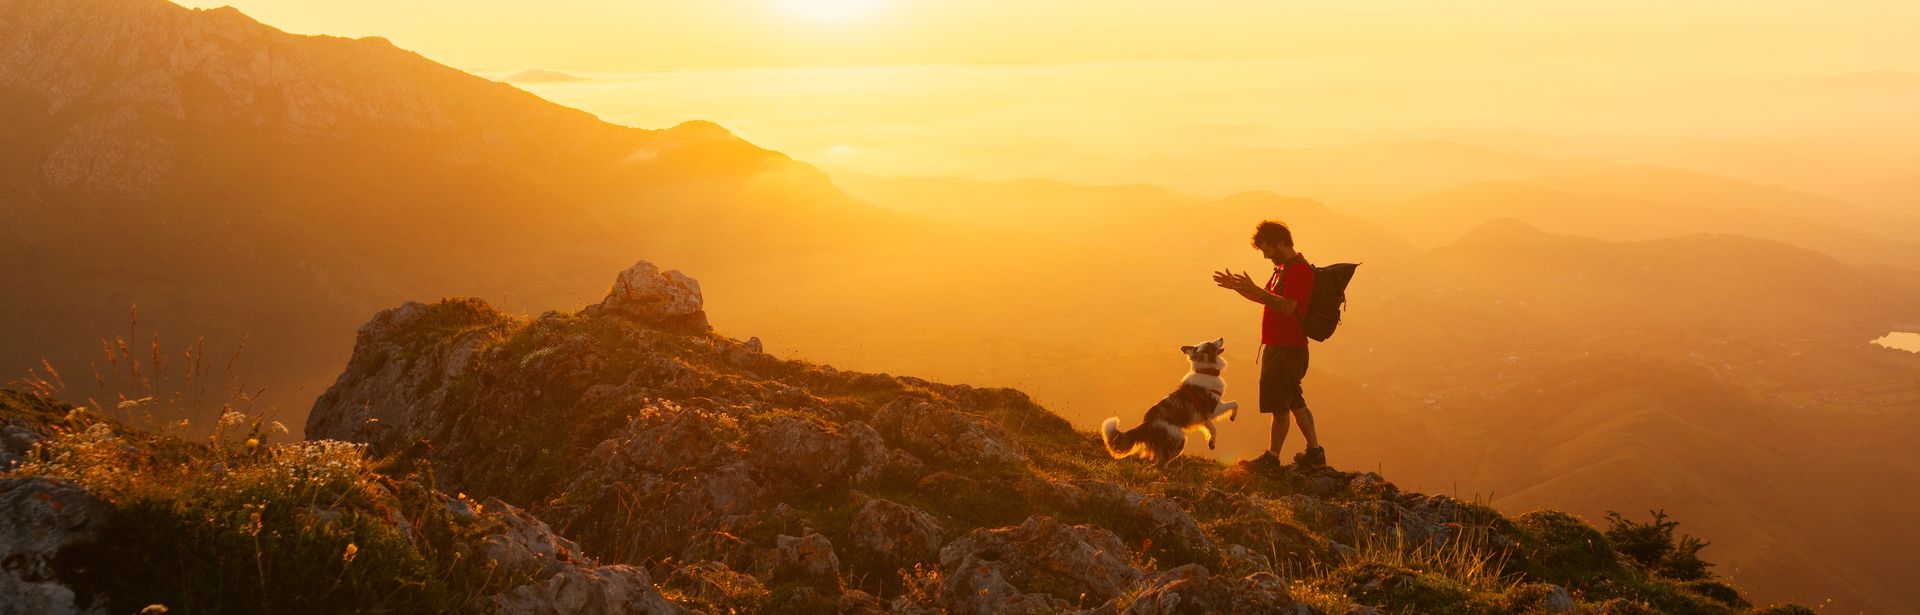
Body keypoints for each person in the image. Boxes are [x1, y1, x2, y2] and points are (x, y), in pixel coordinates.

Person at [1212, 220, 1323, 470]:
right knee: (1295, 401)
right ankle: (1315, 451)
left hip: (1287, 349)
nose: (1265, 256)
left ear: (1281, 243)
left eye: (1267, 250)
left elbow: (1288, 306)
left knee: (1279, 406)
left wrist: (1254, 290)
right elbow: (1265, 298)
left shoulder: (1299, 271)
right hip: (1281, 347)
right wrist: (1239, 288)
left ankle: (1272, 459)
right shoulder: (1283, 269)